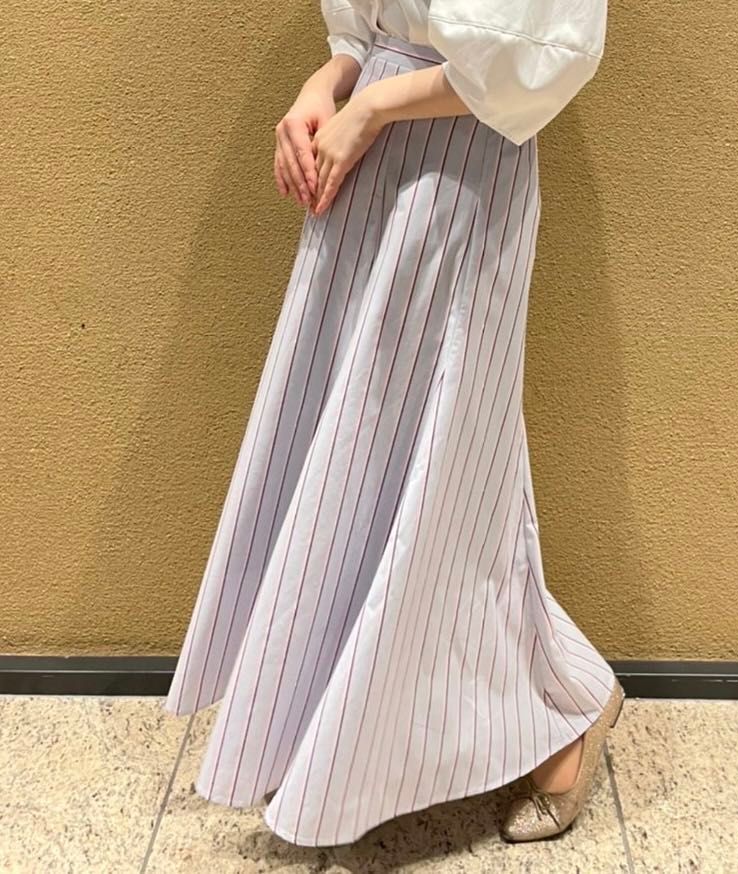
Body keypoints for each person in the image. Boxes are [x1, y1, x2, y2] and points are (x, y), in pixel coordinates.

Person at [163, 0, 624, 848]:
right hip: (364, 156)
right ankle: (342, 731)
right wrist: (330, 78)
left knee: (444, 460)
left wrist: (373, 104)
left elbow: (537, 54)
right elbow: (369, 24)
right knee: (353, 448)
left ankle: (564, 700)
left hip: (460, 155)